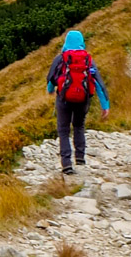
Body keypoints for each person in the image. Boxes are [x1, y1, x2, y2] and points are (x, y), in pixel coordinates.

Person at [45, 30, 110, 174]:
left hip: (63, 99)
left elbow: (51, 78)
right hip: (83, 99)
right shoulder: (88, 60)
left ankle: (66, 163)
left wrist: (50, 90)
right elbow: (98, 83)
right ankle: (80, 158)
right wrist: (105, 106)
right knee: (79, 125)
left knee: (63, 130)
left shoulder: (61, 58)